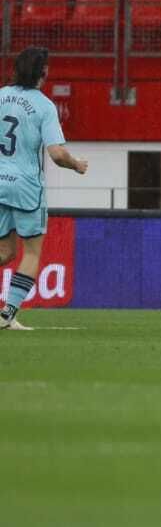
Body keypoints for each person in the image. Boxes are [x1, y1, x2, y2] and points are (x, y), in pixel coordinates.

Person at [0, 48, 88, 332]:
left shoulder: (1, 96)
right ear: (44, 72)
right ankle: (7, 314)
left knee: (5, 251)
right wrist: (76, 165)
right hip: (25, 187)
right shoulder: (44, 106)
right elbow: (57, 154)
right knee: (31, 253)